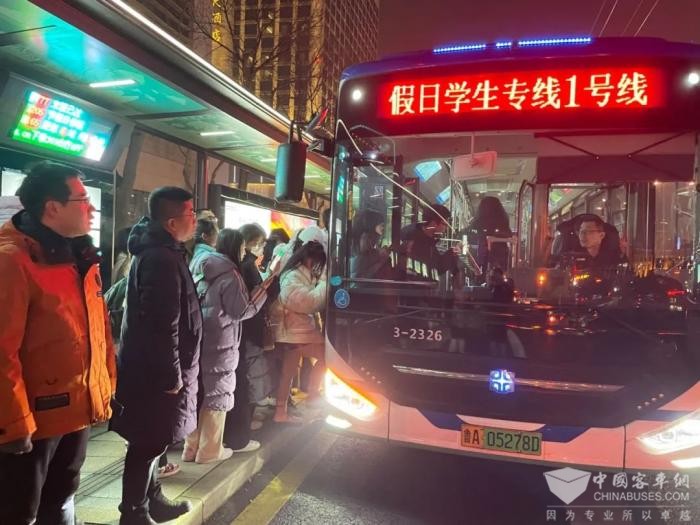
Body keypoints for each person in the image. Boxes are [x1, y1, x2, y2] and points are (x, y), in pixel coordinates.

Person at [0, 162, 116, 525]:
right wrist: (13, 422)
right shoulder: (12, 260)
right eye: (83, 200)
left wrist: (105, 389)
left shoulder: (79, 257)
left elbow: (99, 331)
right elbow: (2, 352)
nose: (92, 209)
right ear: (53, 207)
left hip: (75, 409)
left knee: (62, 498)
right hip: (31, 422)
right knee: (20, 512)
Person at [111, 187, 201, 525]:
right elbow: (163, 324)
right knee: (147, 441)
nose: (195, 219)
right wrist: (171, 376)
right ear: (172, 221)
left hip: (154, 369)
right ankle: (134, 512)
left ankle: (152, 500)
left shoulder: (161, 251)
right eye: (191, 213)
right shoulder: (160, 258)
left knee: (154, 437)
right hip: (155, 374)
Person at [183, 228, 270, 463]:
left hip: (199, 338)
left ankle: (191, 448)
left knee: (198, 393)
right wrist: (263, 289)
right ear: (236, 247)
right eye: (242, 248)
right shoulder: (230, 274)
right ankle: (210, 451)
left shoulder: (200, 266)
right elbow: (242, 310)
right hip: (221, 341)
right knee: (218, 393)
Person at [272, 240, 327, 424]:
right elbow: (309, 302)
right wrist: (324, 283)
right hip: (295, 332)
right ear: (309, 259)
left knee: (287, 373)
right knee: (326, 357)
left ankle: (281, 412)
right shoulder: (293, 277)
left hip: (295, 331)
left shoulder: (297, 274)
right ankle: (312, 395)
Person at [233, 223, 275, 440]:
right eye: (260, 243)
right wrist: (271, 279)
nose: (262, 247)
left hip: (241, 329)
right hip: (250, 326)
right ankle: (246, 424)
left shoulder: (236, 263)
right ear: (250, 242)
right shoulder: (247, 265)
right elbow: (256, 297)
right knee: (252, 371)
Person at [400, 204, 462, 282]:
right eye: (444, 224)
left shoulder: (428, 241)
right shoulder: (414, 241)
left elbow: (437, 266)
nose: (446, 228)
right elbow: (425, 272)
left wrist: (452, 253)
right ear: (434, 223)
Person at [350, 209, 392, 279]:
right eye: (381, 224)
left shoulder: (360, 246)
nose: (383, 228)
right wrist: (382, 257)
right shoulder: (364, 241)